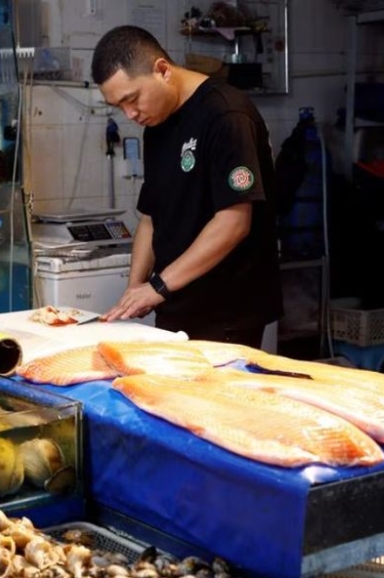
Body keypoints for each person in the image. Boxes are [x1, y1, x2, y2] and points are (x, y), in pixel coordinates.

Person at [91, 25, 282, 348]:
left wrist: (157, 288)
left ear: (162, 70)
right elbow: (151, 218)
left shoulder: (226, 114)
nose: (130, 114)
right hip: (176, 304)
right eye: (119, 107)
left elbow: (233, 222)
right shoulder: (156, 125)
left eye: (132, 99)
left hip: (227, 313)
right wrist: (135, 288)